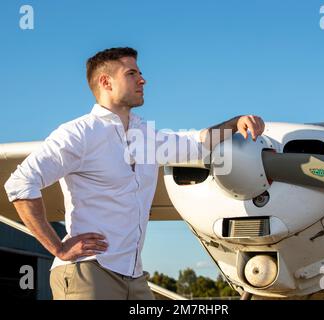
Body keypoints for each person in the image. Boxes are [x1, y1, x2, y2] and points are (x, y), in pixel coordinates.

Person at [4, 47, 265, 300]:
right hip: (89, 272)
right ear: (106, 82)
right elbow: (20, 183)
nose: (143, 79)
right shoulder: (78, 133)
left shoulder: (144, 136)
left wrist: (235, 122)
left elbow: (198, 144)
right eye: (131, 74)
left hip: (135, 276)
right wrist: (57, 247)